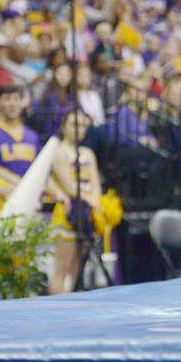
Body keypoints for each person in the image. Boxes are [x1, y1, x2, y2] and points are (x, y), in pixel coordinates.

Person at [48, 109, 102, 294]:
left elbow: (96, 183)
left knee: (77, 269)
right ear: (63, 127)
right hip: (67, 213)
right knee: (62, 268)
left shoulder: (88, 153)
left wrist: (97, 202)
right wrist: (92, 200)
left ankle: (71, 304)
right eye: (74, 124)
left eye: (82, 125)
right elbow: (70, 187)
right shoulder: (59, 152)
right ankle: (56, 309)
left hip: (87, 213)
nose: (79, 129)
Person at [0, 83, 41, 211]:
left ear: (22, 103)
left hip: (28, 199)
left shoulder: (31, 136)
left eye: (16, 99)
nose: (12, 104)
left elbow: (38, 169)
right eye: (7, 99)